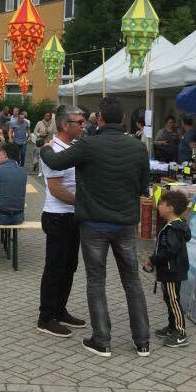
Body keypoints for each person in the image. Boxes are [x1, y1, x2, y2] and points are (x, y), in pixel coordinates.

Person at [40, 95, 151, 359]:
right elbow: (143, 187)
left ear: (98, 119)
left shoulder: (88, 144)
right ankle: (142, 341)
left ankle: (102, 340)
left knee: (96, 281)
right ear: (123, 119)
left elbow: (54, 162)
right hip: (125, 224)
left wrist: (44, 148)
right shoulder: (138, 147)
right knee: (132, 281)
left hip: (94, 224)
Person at [38, 105, 87, 337]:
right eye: (79, 122)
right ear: (66, 125)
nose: (83, 125)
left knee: (69, 266)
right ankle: (46, 317)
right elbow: (56, 189)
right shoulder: (54, 150)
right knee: (55, 267)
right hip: (58, 215)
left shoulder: (72, 148)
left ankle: (60, 309)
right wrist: (83, 203)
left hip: (71, 215)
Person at [143, 190, 191, 349]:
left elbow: (169, 251)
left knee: (174, 301)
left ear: (170, 208)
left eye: (161, 204)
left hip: (172, 271)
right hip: (168, 270)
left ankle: (180, 332)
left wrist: (152, 260)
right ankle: (172, 326)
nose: (158, 206)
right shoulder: (173, 226)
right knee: (169, 299)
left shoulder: (173, 229)